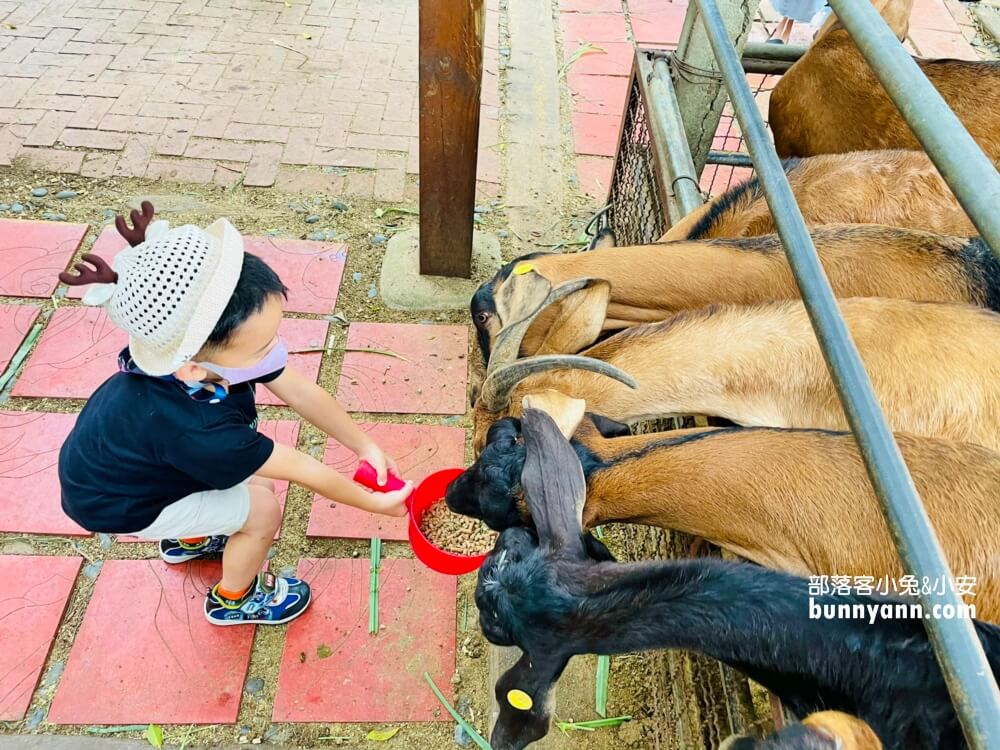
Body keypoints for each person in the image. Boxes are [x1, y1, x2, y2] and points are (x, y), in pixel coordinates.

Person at [58, 207, 414, 626]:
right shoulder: (198, 430)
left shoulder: (196, 360)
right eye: (262, 346)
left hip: (137, 469)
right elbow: (302, 468)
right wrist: (373, 502)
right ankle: (233, 599)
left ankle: (191, 538)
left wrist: (363, 444)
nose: (275, 349)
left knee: (250, 479)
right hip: (121, 501)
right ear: (192, 366)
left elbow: (301, 391)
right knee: (263, 509)